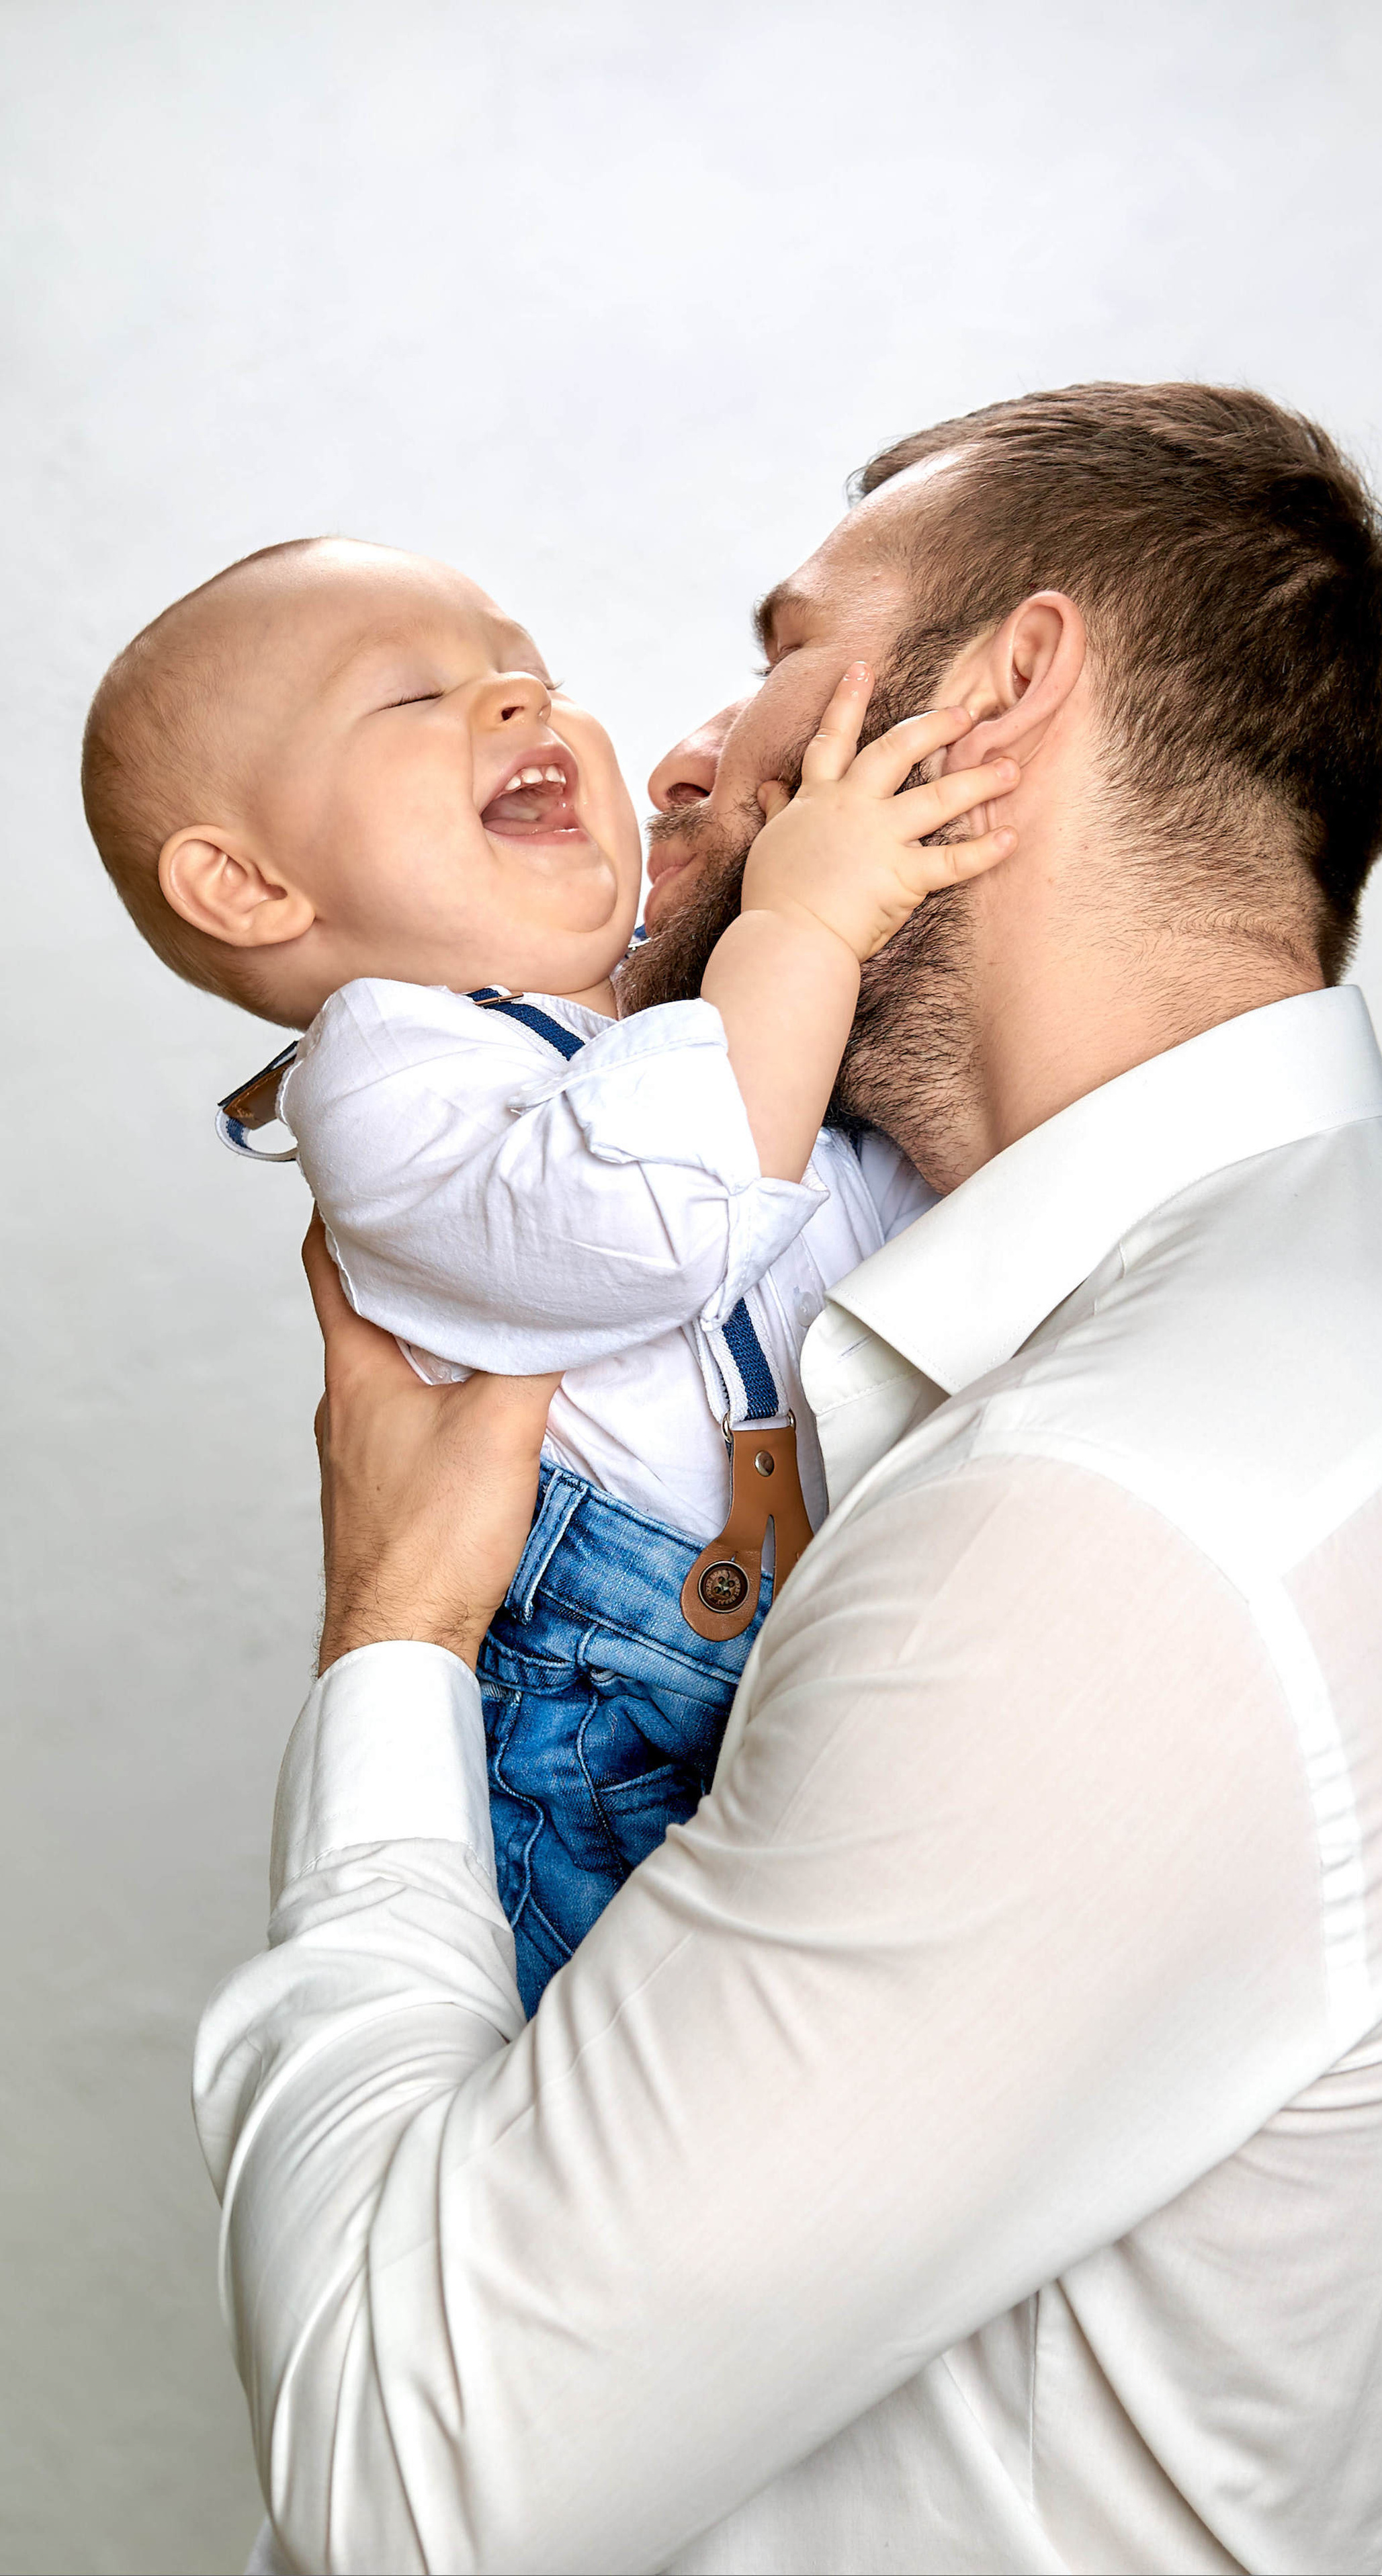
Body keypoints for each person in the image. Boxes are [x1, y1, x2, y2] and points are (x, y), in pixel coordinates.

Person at [194, 383, 1382, 2574]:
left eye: (786, 649)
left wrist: (395, 1631)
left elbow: (404, 2491)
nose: (687, 753)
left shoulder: (1106, 1527)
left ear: (1004, 692)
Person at [81, 543, 1014, 2010]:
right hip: (607, 1727)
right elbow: (656, 1223)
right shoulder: (381, 1078)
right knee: (644, 2105)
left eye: (535, 675)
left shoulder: (675, 1011)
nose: (518, 697)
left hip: (808, 1630)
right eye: (413, 696)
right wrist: (806, 924)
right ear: (248, 884)